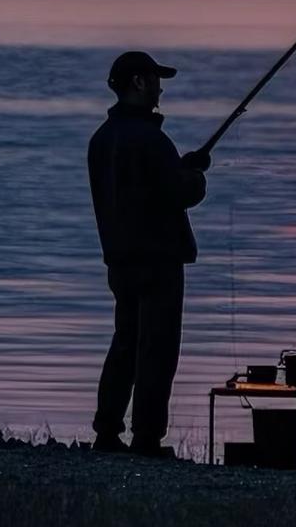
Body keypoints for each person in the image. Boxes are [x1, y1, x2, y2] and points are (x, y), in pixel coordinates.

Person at [88, 50, 211, 457]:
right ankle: (146, 438)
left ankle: (107, 431)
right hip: (158, 261)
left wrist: (181, 166)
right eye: (155, 80)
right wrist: (193, 177)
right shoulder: (151, 139)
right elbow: (178, 193)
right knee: (157, 350)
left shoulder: (102, 140)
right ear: (139, 83)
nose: (161, 88)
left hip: (120, 260)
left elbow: (144, 186)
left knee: (125, 343)